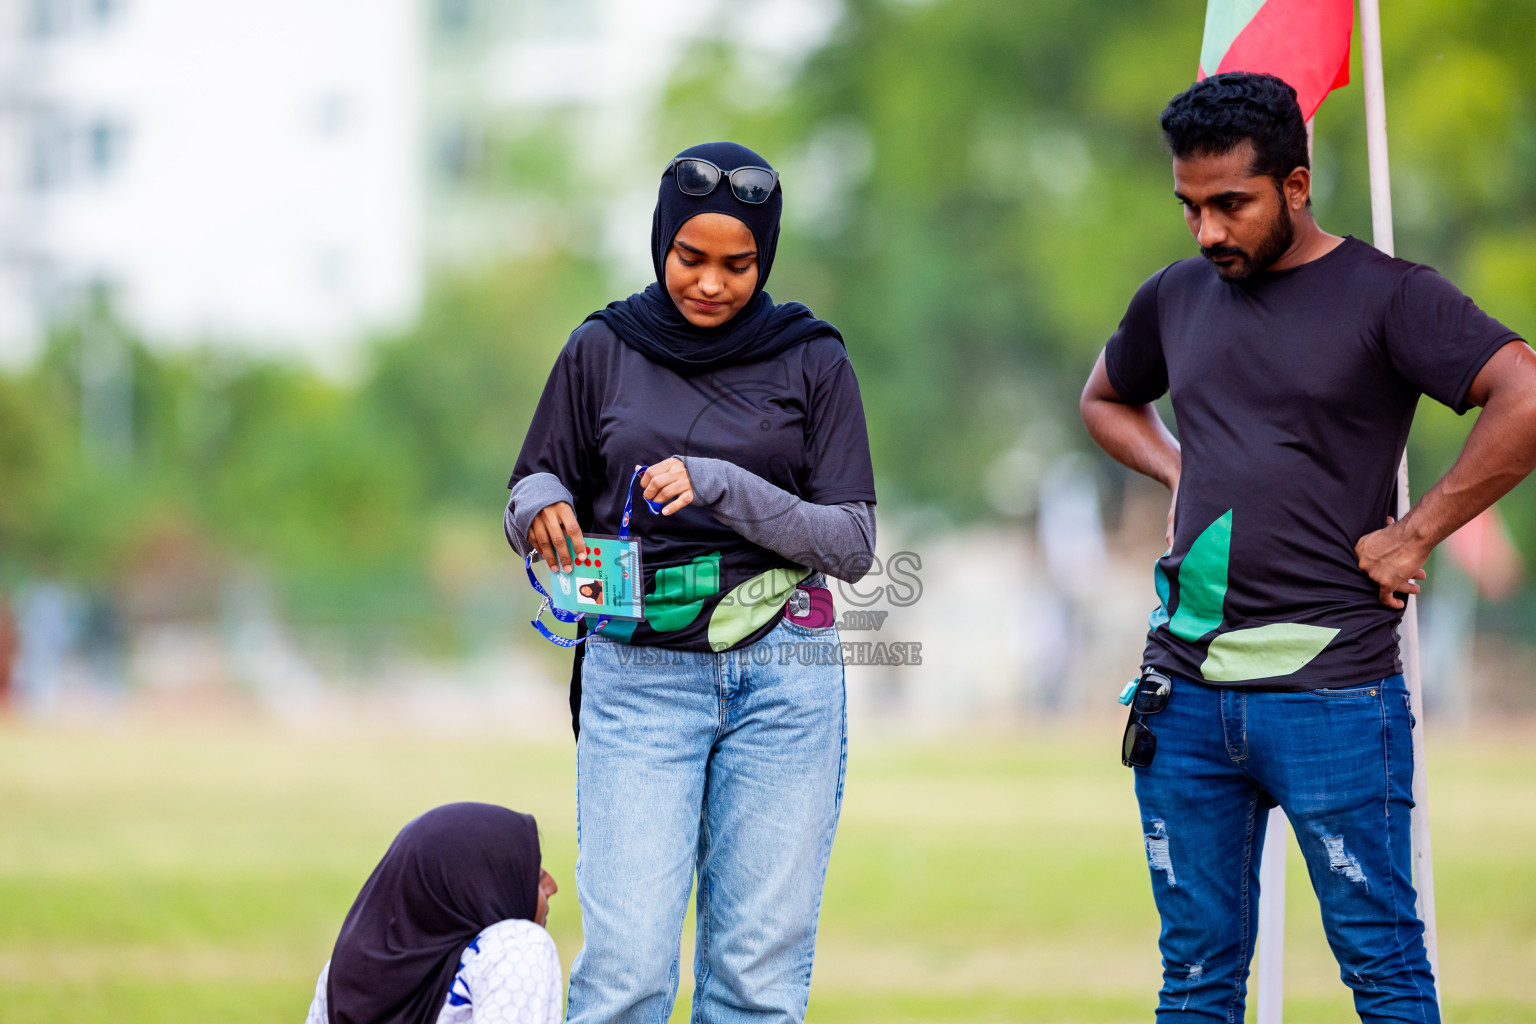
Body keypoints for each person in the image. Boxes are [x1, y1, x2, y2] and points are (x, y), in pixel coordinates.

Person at [1080, 71, 1536, 1022]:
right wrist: (1179, 473)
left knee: (1383, 972)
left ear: (1295, 184)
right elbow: (1105, 398)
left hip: (1334, 694)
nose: (1208, 232)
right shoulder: (1174, 296)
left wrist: (1418, 533)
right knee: (1196, 983)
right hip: (1186, 695)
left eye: (1230, 204)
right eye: (1191, 207)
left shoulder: (1389, 296)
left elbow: (1524, 395)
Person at [504, 141, 876, 1024]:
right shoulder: (602, 347)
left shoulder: (812, 358)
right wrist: (542, 505)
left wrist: (721, 482)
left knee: (755, 979)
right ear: (660, 243)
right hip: (638, 677)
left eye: (737, 264)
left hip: (784, 675)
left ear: (767, 257)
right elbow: (531, 482)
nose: (711, 283)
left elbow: (854, 543)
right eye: (691, 259)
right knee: (627, 971)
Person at [303, 803, 562, 1024]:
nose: (552, 886)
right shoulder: (518, 948)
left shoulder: (343, 976)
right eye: (534, 878)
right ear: (480, 895)